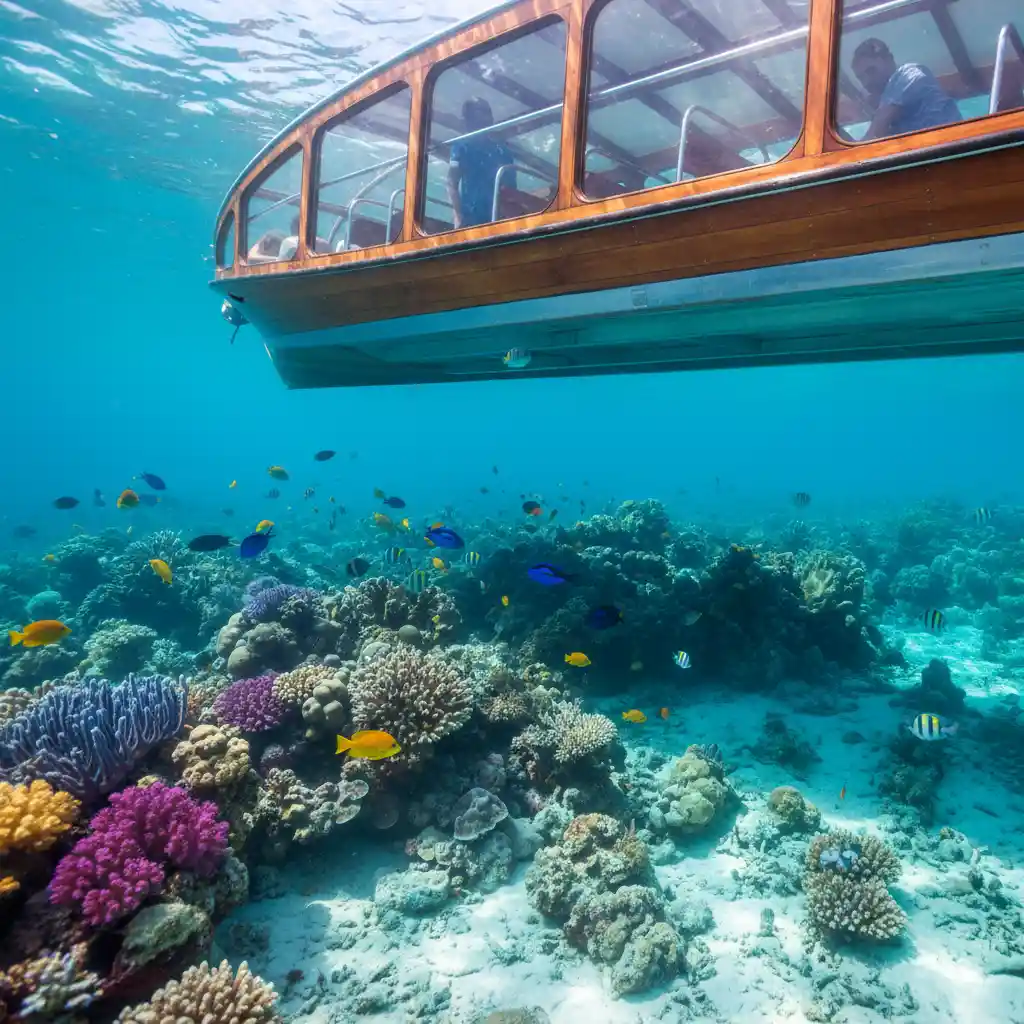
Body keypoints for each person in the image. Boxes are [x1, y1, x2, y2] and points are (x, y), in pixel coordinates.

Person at [851, 37, 960, 140]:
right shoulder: (889, 102)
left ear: (889, 60)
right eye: (861, 78)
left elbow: (876, 132)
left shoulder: (909, 73)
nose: (867, 82)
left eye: (871, 71)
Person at [446, 98, 516, 229]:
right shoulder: (462, 147)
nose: (487, 117)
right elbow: (451, 184)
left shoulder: (502, 150)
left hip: (500, 219)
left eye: (487, 112)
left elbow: (511, 188)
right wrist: (458, 216)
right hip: (472, 220)